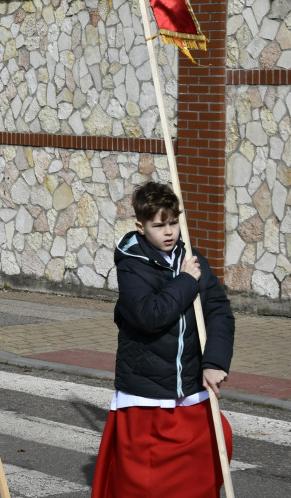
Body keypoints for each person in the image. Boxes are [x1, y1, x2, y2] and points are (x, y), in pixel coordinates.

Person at [92, 182, 235, 498]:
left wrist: (214, 362)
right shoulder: (131, 265)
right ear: (141, 227)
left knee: (213, 451)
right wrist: (186, 281)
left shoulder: (192, 258)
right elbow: (150, 315)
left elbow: (219, 313)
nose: (169, 231)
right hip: (149, 394)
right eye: (159, 225)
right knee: (146, 484)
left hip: (191, 389)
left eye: (173, 222)